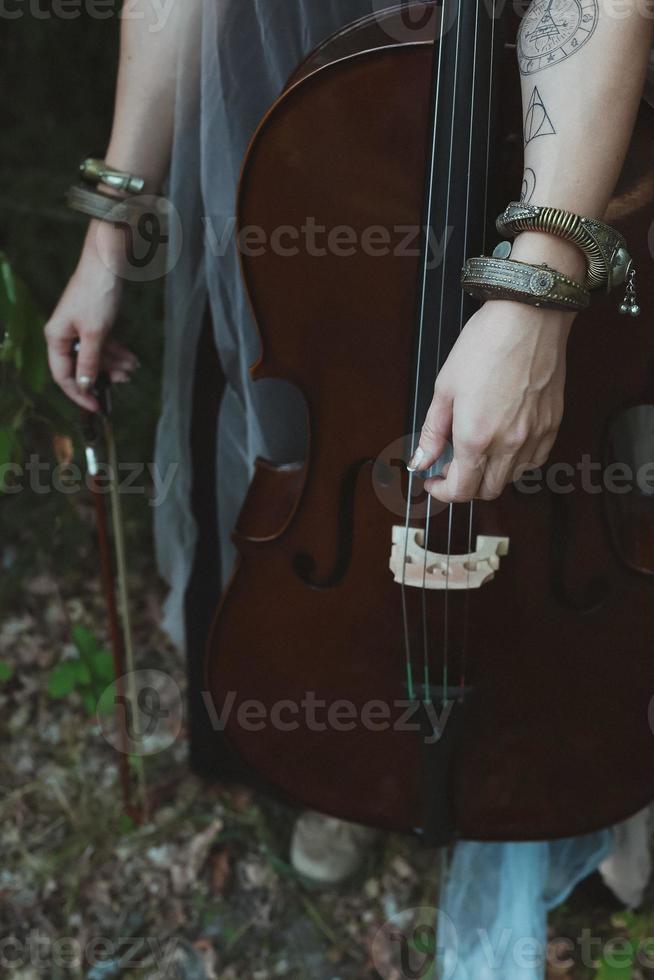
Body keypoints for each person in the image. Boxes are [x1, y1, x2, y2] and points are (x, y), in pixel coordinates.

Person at [44, 0, 654, 972]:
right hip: (304, 111)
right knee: (327, 401)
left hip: (569, 114)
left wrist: (539, 301)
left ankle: (592, 750)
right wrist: (110, 226)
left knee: (592, 429)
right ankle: (356, 739)